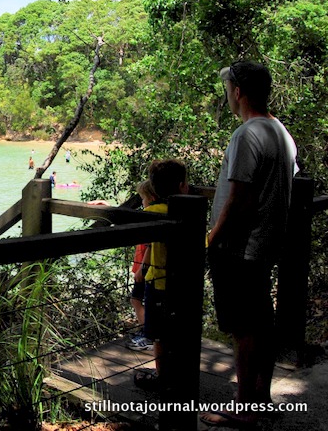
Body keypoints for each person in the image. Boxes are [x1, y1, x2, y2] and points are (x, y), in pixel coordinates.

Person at [200, 62, 297, 427]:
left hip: (239, 249)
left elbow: (239, 199)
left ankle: (243, 408)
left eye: (228, 88)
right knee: (260, 324)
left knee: (243, 330)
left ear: (237, 91)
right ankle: (260, 398)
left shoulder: (246, 135)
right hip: (265, 246)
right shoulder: (281, 132)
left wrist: (211, 240)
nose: (227, 95)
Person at [133, 159, 189, 391]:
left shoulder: (151, 213)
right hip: (183, 283)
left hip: (156, 283)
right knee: (178, 330)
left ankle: (162, 376)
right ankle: (180, 374)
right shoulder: (184, 209)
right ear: (182, 185)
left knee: (158, 336)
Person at [126, 179, 158, 351]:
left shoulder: (151, 218)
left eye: (143, 199)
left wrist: (141, 270)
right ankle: (147, 333)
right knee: (141, 300)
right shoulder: (152, 216)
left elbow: (149, 247)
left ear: (151, 198)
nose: (142, 203)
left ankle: (147, 335)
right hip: (146, 269)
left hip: (145, 269)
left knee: (136, 300)